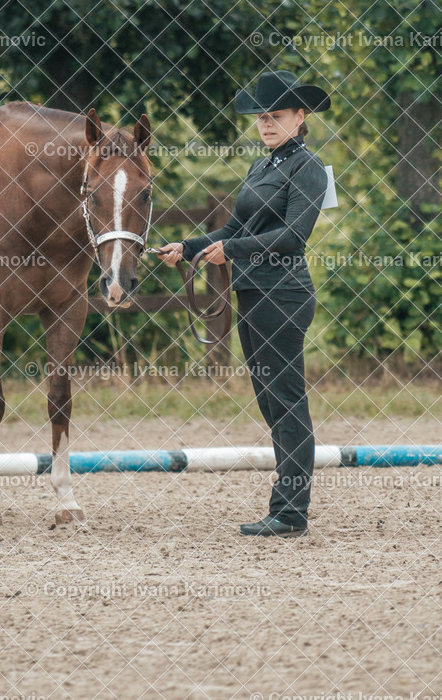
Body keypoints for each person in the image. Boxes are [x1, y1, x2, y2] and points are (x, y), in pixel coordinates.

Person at [157, 70, 331, 537]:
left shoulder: (307, 168)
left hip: (285, 294)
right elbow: (233, 230)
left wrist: (231, 252)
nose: (267, 124)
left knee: (287, 401)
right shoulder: (262, 167)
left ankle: (292, 512)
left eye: (276, 116)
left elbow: (293, 236)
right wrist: (189, 246)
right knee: (272, 403)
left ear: (300, 116)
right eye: (261, 117)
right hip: (253, 293)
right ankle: (286, 506)